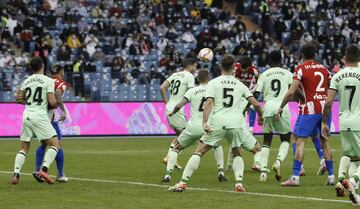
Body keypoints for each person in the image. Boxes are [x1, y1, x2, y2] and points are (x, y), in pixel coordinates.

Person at [168, 54, 264, 192]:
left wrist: (205, 122)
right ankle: (238, 184)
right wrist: (260, 116)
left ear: (220, 67)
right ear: (234, 67)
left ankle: (183, 182)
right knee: (237, 152)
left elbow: (208, 103)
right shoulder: (240, 85)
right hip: (235, 123)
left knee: (199, 151)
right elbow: (256, 103)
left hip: (218, 121)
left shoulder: (213, 83)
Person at [276, 43, 335, 186]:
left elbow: (291, 92)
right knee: (325, 142)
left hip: (310, 110)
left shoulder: (300, 69)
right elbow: (330, 89)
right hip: (325, 109)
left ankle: (295, 177)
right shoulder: (324, 69)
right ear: (315, 55)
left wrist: (281, 107)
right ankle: (332, 176)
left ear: (302, 55)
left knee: (299, 140)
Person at [162, 69, 227, 183]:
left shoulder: (192, 91)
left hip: (193, 126)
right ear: (209, 78)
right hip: (208, 125)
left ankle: (168, 175)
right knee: (217, 145)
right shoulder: (215, 90)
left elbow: (180, 104)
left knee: (176, 148)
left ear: (197, 79)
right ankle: (221, 172)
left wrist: (173, 112)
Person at [12, 57, 59, 184]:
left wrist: (29, 101)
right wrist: (58, 101)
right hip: (40, 116)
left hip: (27, 115)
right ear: (42, 66)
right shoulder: (48, 81)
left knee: (23, 148)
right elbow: (52, 102)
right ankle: (44, 170)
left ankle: (16, 174)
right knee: (55, 144)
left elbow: (18, 98)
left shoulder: (26, 81)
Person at [322, 44, 360, 203]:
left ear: (345, 58)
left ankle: (341, 181)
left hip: (343, 121)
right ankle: (352, 182)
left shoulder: (337, 76)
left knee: (350, 156)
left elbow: (329, 102)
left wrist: (324, 122)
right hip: (359, 120)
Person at [252, 51, 292, 182]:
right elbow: (293, 91)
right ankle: (278, 162)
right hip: (282, 108)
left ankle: (263, 172)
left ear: (269, 61)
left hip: (268, 108)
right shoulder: (287, 74)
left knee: (266, 141)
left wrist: (248, 107)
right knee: (285, 139)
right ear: (281, 60)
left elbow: (256, 93)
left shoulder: (264, 74)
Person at [33, 64, 68, 183]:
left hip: (37, 115)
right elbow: (58, 94)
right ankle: (60, 174)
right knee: (58, 145)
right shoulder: (61, 83)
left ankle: (37, 170)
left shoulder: (45, 80)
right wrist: (63, 110)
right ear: (60, 72)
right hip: (49, 118)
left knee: (43, 144)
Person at [160, 58, 197, 170]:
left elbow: (162, 87)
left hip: (169, 108)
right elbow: (192, 93)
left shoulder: (175, 75)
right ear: (190, 66)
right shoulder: (190, 76)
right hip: (177, 109)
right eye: (195, 66)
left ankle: (172, 159)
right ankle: (169, 157)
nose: (195, 68)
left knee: (180, 136)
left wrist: (166, 102)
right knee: (188, 137)